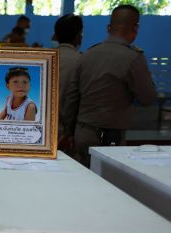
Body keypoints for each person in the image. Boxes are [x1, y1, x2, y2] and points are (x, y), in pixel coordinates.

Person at [60, 4, 156, 166]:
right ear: (136, 28)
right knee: (111, 184)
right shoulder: (133, 58)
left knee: (86, 181)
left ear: (108, 27)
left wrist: (69, 133)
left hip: (82, 133)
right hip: (112, 138)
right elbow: (147, 98)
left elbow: (71, 98)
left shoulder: (87, 55)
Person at [54, 14, 82, 143]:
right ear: (78, 36)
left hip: (40, 128)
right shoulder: (81, 61)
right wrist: (69, 131)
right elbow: (73, 99)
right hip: (65, 133)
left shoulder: (44, 59)